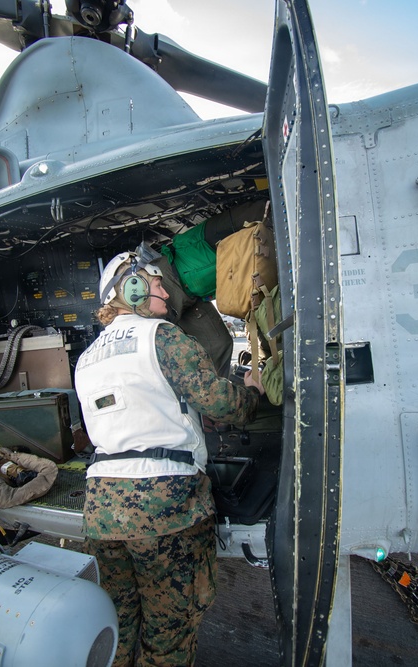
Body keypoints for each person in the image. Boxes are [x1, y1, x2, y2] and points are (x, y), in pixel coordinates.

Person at [74, 247, 265, 667]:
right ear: (134, 287)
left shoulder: (88, 357)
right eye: (157, 282)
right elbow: (222, 402)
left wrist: (190, 417)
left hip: (102, 510)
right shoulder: (161, 336)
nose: (165, 290)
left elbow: (132, 416)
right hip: (164, 508)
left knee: (118, 625)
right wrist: (252, 390)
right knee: (169, 634)